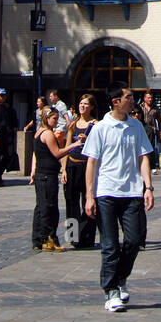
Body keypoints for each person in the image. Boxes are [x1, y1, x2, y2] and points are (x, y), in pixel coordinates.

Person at [83, 82, 154, 312]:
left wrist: (148, 188)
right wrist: (89, 196)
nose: (132, 100)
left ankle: (121, 276)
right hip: (106, 192)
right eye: (129, 97)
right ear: (116, 102)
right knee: (110, 245)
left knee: (134, 241)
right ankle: (111, 291)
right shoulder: (100, 128)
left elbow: (144, 157)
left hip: (132, 192)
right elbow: (91, 163)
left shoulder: (136, 127)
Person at [32, 109, 79, 251]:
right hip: (47, 175)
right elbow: (57, 153)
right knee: (49, 207)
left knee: (41, 207)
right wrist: (74, 145)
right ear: (47, 118)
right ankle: (49, 239)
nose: (56, 121)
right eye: (54, 118)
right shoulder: (47, 134)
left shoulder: (39, 132)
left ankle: (38, 240)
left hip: (42, 174)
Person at [62, 93, 98, 249]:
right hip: (72, 165)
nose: (82, 106)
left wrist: (87, 140)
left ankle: (87, 236)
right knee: (71, 202)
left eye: (86, 104)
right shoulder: (73, 124)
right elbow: (66, 147)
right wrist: (63, 169)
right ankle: (72, 236)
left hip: (87, 166)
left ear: (91, 107)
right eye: (81, 103)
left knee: (87, 201)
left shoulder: (96, 124)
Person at [0, 88, 18, 187]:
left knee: (6, 157)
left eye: (4, 95)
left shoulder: (6, 107)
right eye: (1, 95)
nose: (3, 97)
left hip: (6, 135)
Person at [140, 91, 161, 169]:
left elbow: (159, 121)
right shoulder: (140, 107)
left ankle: (151, 165)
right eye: (148, 98)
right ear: (144, 98)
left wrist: (160, 132)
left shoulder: (155, 108)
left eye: (151, 98)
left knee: (151, 148)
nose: (150, 99)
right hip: (142, 130)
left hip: (152, 131)